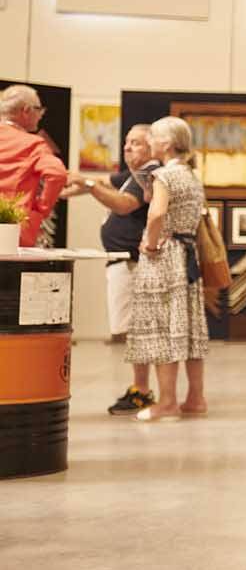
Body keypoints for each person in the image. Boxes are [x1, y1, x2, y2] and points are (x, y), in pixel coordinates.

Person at [59, 124, 163, 414]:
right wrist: (66, 187)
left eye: (136, 143)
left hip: (132, 263)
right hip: (123, 263)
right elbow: (101, 181)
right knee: (132, 330)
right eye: (127, 142)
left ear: (152, 147)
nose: (127, 147)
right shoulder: (131, 174)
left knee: (135, 330)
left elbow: (123, 204)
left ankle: (141, 390)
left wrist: (87, 184)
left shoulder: (148, 173)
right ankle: (140, 388)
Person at [129, 117, 209, 423]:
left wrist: (150, 244)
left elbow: (157, 214)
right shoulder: (191, 176)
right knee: (190, 328)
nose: (148, 141)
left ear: (166, 143)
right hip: (188, 258)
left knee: (162, 329)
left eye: (152, 137)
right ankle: (195, 399)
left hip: (164, 256)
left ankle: (167, 403)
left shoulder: (164, 175)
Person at [0, 85, 67, 246]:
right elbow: (57, 174)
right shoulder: (33, 144)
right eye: (39, 109)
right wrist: (41, 209)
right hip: (14, 229)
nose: (41, 115)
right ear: (26, 110)